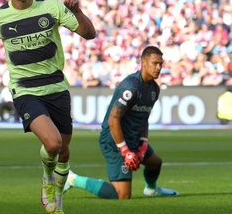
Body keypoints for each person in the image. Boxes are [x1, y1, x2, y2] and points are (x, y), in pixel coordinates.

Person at [0, 0, 96, 214]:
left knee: (64, 153)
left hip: (56, 86)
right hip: (25, 89)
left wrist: (76, 11)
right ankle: (47, 181)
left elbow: (90, 34)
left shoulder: (51, 7)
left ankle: (59, 210)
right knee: (53, 144)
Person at [63, 46, 179, 200]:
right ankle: (71, 179)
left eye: (160, 64)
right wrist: (125, 151)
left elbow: (144, 119)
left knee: (155, 163)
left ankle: (151, 190)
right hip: (114, 140)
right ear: (143, 63)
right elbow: (113, 120)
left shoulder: (154, 90)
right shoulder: (131, 86)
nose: (158, 68)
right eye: (155, 63)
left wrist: (143, 144)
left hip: (134, 138)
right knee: (122, 195)